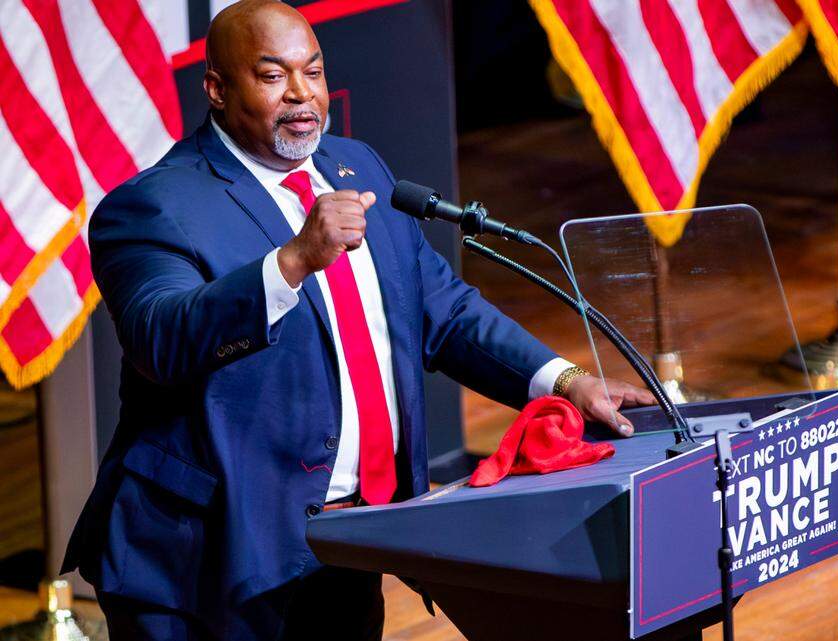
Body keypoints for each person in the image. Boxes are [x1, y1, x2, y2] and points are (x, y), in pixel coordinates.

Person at [61, 2, 652, 639]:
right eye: (272, 76)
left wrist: (565, 381)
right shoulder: (155, 205)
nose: (301, 95)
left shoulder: (357, 166)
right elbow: (162, 339)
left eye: (313, 73)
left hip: (351, 539)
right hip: (211, 560)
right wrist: (290, 263)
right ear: (217, 89)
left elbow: (444, 311)